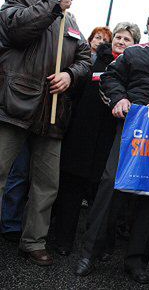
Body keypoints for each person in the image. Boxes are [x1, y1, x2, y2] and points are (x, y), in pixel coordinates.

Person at [74, 9, 149, 284]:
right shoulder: (135, 53)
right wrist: (118, 98)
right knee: (110, 185)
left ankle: (136, 261)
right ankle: (90, 252)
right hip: (132, 128)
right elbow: (109, 77)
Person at [0, 0, 91, 266]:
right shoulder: (19, 1)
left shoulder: (71, 20)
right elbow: (17, 30)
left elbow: (85, 58)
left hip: (52, 113)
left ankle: (33, 241)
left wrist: (70, 74)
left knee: (47, 183)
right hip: (15, 104)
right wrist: (53, 6)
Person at [53, 22, 139, 256]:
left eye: (127, 39)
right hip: (81, 136)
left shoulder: (136, 69)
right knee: (71, 192)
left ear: (135, 44)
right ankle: (62, 241)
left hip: (110, 142)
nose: (121, 42)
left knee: (100, 198)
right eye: (119, 37)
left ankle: (97, 247)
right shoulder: (94, 60)